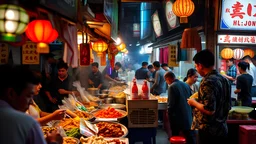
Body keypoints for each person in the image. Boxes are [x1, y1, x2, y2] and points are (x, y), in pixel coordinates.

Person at [0, 65, 62, 144]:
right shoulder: (27, 123)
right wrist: (53, 142)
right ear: (11, 93)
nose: (30, 102)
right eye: (28, 96)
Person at [187, 49, 231, 144]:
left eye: (196, 66)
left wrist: (193, 102)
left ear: (200, 65)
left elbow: (209, 110)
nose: (197, 69)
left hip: (209, 131)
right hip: (223, 128)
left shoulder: (208, 81)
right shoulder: (224, 79)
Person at [165, 71, 196, 144]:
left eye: (166, 80)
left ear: (168, 79)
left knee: (175, 136)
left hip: (177, 118)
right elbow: (190, 99)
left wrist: (168, 115)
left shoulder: (172, 86)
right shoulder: (186, 85)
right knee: (190, 137)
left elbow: (171, 105)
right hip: (188, 116)